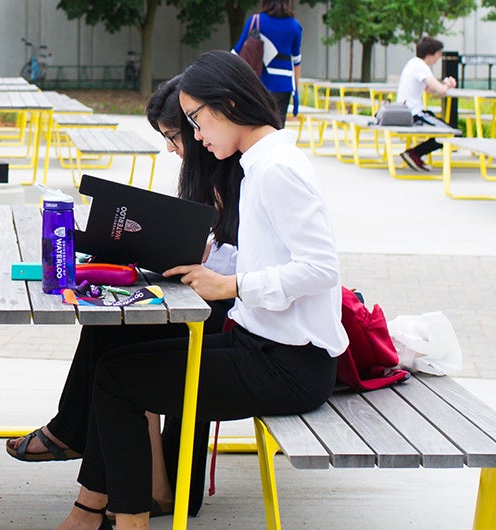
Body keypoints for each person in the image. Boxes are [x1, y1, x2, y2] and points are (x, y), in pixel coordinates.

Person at [57, 51, 343, 530]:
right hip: (261, 345)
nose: (195, 134)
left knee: (116, 381)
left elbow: (320, 268)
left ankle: (117, 517)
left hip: (289, 363)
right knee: (114, 369)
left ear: (228, 103)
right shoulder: (260, 162)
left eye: (195, 119)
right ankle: (124, 510)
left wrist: (231, 283)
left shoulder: (275, 169)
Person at [3, 75, 243, 519]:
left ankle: (78, 442)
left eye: (174, 136)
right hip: (204, 296)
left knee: (117, 338)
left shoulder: (244, 170)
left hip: (231, 312)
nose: (172, 148)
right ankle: (130, 473)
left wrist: (196, 257)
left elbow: (239, 261)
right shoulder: (210, 169)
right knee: (109, 324)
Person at [232, 0, 305, 117]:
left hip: (258, 83)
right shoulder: (294, 26)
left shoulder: (256, 21)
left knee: (257, 124)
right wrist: (296, 90)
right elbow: (296, 60)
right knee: (277, 128)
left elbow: (235, 52)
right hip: (283, 86)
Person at [395, 36, 457, 172]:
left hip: (406, 111)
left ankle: (415, 154)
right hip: (413, 112)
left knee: (443, 125)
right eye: (439, 54)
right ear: (431, 54)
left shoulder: (413, 63)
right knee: (450, 132)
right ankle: (415, 153)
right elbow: (440, 90)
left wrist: (444, 84)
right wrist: (448, 84)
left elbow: (428, 89)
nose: (439, 57)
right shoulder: (420, 66)